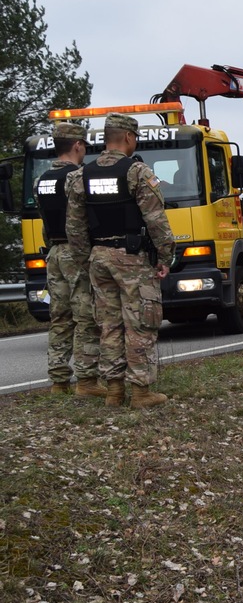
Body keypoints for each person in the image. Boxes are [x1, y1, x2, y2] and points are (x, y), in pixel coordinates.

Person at [65, 113, 175, 409]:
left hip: (98, 257)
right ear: (128, 137)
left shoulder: (79, 176)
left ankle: (114, 392)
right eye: (135, 137)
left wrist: (85, 259)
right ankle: (140, 393)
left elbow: (74, 228)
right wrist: (165, 255)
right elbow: (156, 220)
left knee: (109, 325)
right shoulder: (137, 172)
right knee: (140, 322)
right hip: (131, 258)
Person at [36, 121, 104, 397]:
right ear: (77, 145)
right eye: (84, 145)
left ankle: (59, 381)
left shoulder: (42, 179)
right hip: (76, 253)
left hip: (54, 253)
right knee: (86, 316)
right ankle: (87, 381)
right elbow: (83, 219)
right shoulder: (77, 177)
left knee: (60, 317)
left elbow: (44, 222)